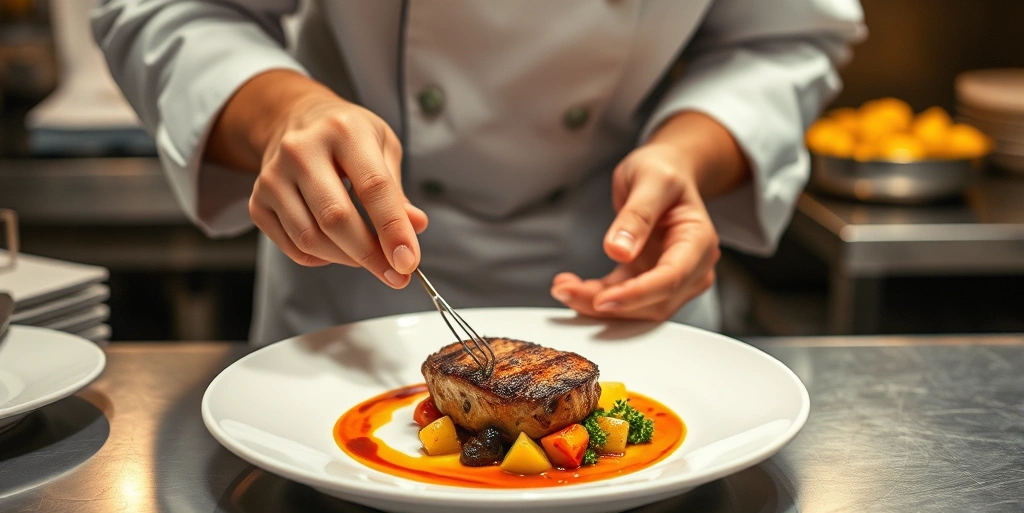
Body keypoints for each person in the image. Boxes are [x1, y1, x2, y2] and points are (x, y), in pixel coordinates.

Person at [93, 0, 865, 345]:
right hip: (352, 279)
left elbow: (783, 38)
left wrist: (688, 153)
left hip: (620, 277)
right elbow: (167, 8)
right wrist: (283, 113)